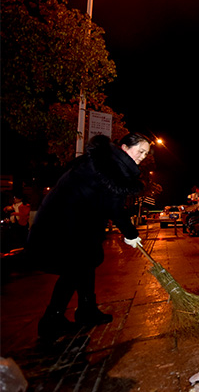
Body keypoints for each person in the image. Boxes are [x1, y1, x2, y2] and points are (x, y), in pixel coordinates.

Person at [26, 133, 150, 341]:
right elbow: (115, 208)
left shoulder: (103, 161)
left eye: (146, 153)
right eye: (140, 151)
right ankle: (52, 319)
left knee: (85, 264)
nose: (143, 157)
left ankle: (87, 310)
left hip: (75, 222)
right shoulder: (110, 169)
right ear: (125, 147)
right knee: (74, 268)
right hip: (64, 223)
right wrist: (131, 234)